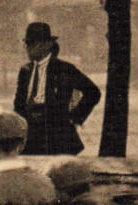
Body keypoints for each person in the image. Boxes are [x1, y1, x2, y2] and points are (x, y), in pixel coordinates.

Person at [12, 22, 99, 156]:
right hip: (31, 135)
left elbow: (93, 92)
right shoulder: (25, 71)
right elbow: (19, 103)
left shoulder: (64, 69)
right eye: (27, 44)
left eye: (34, 44)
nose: (29, 48)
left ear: (48, 45)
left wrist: (75, 117)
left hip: (56, 133)